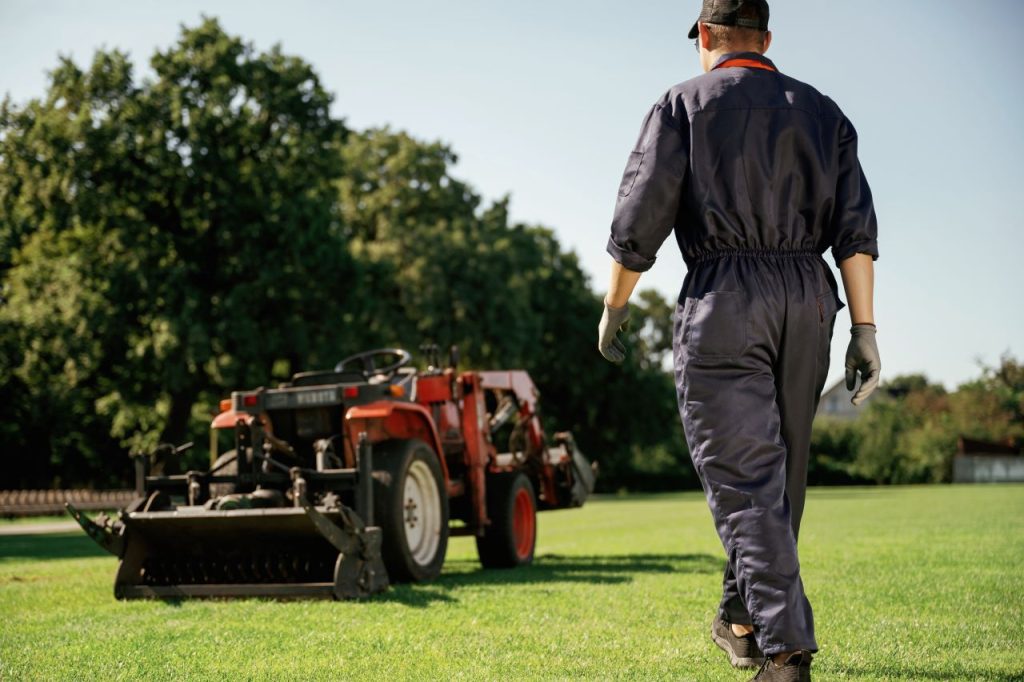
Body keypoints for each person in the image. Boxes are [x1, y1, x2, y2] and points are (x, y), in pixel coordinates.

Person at [596, 1, 880, 680]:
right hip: (809, 296)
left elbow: (639, 215)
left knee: (749, 482)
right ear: (766, 39)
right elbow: (857, 230)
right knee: (778, 478)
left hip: (726, 296)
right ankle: (741, 620)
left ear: (706, 37)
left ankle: (785, 654)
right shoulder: (824, 111)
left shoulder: (682, 105)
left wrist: (613, 308)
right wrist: (866, 330)